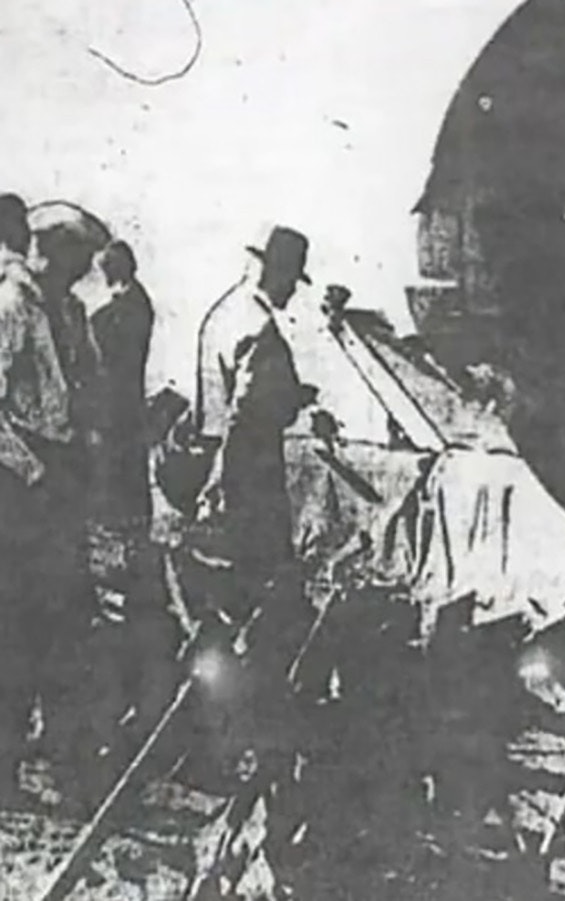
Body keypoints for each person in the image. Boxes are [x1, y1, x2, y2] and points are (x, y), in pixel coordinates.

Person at [183, 226, 320, 899]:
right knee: (265, 615)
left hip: (223, 477)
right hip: (249, 486)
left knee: (222, 609)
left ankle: (207, 734)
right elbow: (247, 413)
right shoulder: (262, 329)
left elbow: (222, 402)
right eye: (293, 276)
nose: (294, 287)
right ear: (282, 273)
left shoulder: (225, 311)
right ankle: (240, 740)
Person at [0, 193, 80, 806]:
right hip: (20, 485)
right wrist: (33, 474)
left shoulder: (44, 304)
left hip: (47, 479)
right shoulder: (11, 301)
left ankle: (38, 756)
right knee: (18, 627)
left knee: (48, 622)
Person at [88, 240, 154, 527]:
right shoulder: (130, 299)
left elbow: (118, 342)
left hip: (121, 393)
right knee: (123, 453)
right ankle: (125, 514)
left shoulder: (133, 303)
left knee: (122, 452)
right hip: (122, 393)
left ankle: (125, 516)